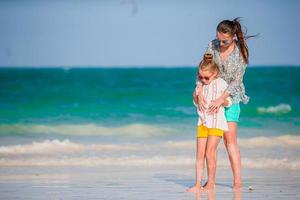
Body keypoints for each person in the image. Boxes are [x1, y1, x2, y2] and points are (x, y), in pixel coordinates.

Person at [195, 18, 253, 190]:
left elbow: (237, 81)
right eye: (219, 39)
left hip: (230, 98)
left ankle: (237, 181)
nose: (220, 43)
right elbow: (204, 68)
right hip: (212, 96)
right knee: (209, 145)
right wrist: (198, 89)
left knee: (230, 141)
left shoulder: (241, 52)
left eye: (224, 41)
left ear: (233, 36)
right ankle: (210, 181)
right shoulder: (211, 45)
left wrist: (222, 99)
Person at [187, 53, 232, 193]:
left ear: (215, 73)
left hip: (217, 123)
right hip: (202, 123)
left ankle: (211, 182)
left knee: (209, 152)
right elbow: (195, 102)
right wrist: (196, 95)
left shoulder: (221, 84)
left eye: (207, 77)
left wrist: (220, 101)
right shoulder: (199, 85)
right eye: (201, 77)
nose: (204, 79)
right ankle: (197, 183)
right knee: (199, 154)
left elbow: (229, 102)